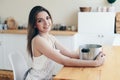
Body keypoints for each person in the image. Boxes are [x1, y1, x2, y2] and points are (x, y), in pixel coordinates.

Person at [25, 5, 105, 80]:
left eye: (47, 18)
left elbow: (70, 54)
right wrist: (95, 63)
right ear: (34, 25)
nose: (46, 23)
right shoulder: (38, 40)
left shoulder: (51, 37)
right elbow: (64, 61)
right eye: (40, 21)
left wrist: (94, 55)